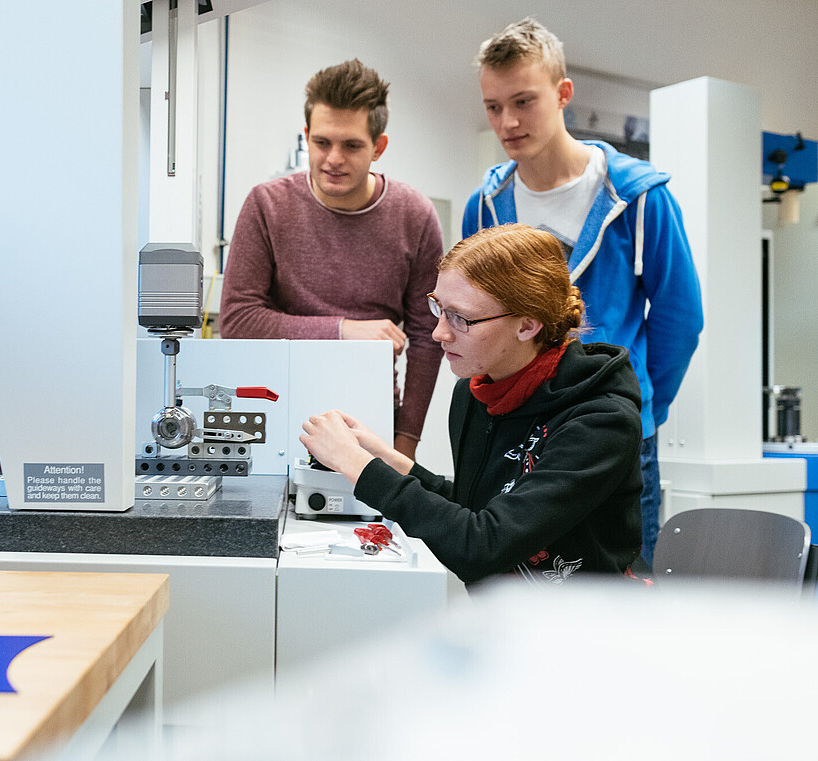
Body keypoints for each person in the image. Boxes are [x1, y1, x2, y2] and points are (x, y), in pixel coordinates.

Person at [463, 18, 703, 567]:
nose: (508, 120)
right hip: (516, 425)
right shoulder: (486, 203)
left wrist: (637, 407)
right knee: (513, 583)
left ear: (563, 93)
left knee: (613, 588)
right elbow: (475, 317)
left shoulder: (639, 197)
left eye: (523, 101)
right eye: (493, 106)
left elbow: (679, 320)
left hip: (610, 432)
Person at [300, 224, 643, 592]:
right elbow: (475, 510)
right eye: (438, 308)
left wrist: (354, 463)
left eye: (460, 318)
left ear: (527, 325)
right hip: (507, 624)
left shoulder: (601, 420)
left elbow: (481, 546)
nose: (439, 333)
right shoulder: (476, 392)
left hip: (587, 632)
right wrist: (386, 457)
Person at [220, 59, 445, 459]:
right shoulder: (266, 205)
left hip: (374, 421)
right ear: (306, 136)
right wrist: (343, 330)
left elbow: (429, 337)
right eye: (322, 142)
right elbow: (238, 321)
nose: (334, 158)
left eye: (352, 145)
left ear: (379, 147)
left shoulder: (415, 215)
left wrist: (406, 442)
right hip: (273, 411)